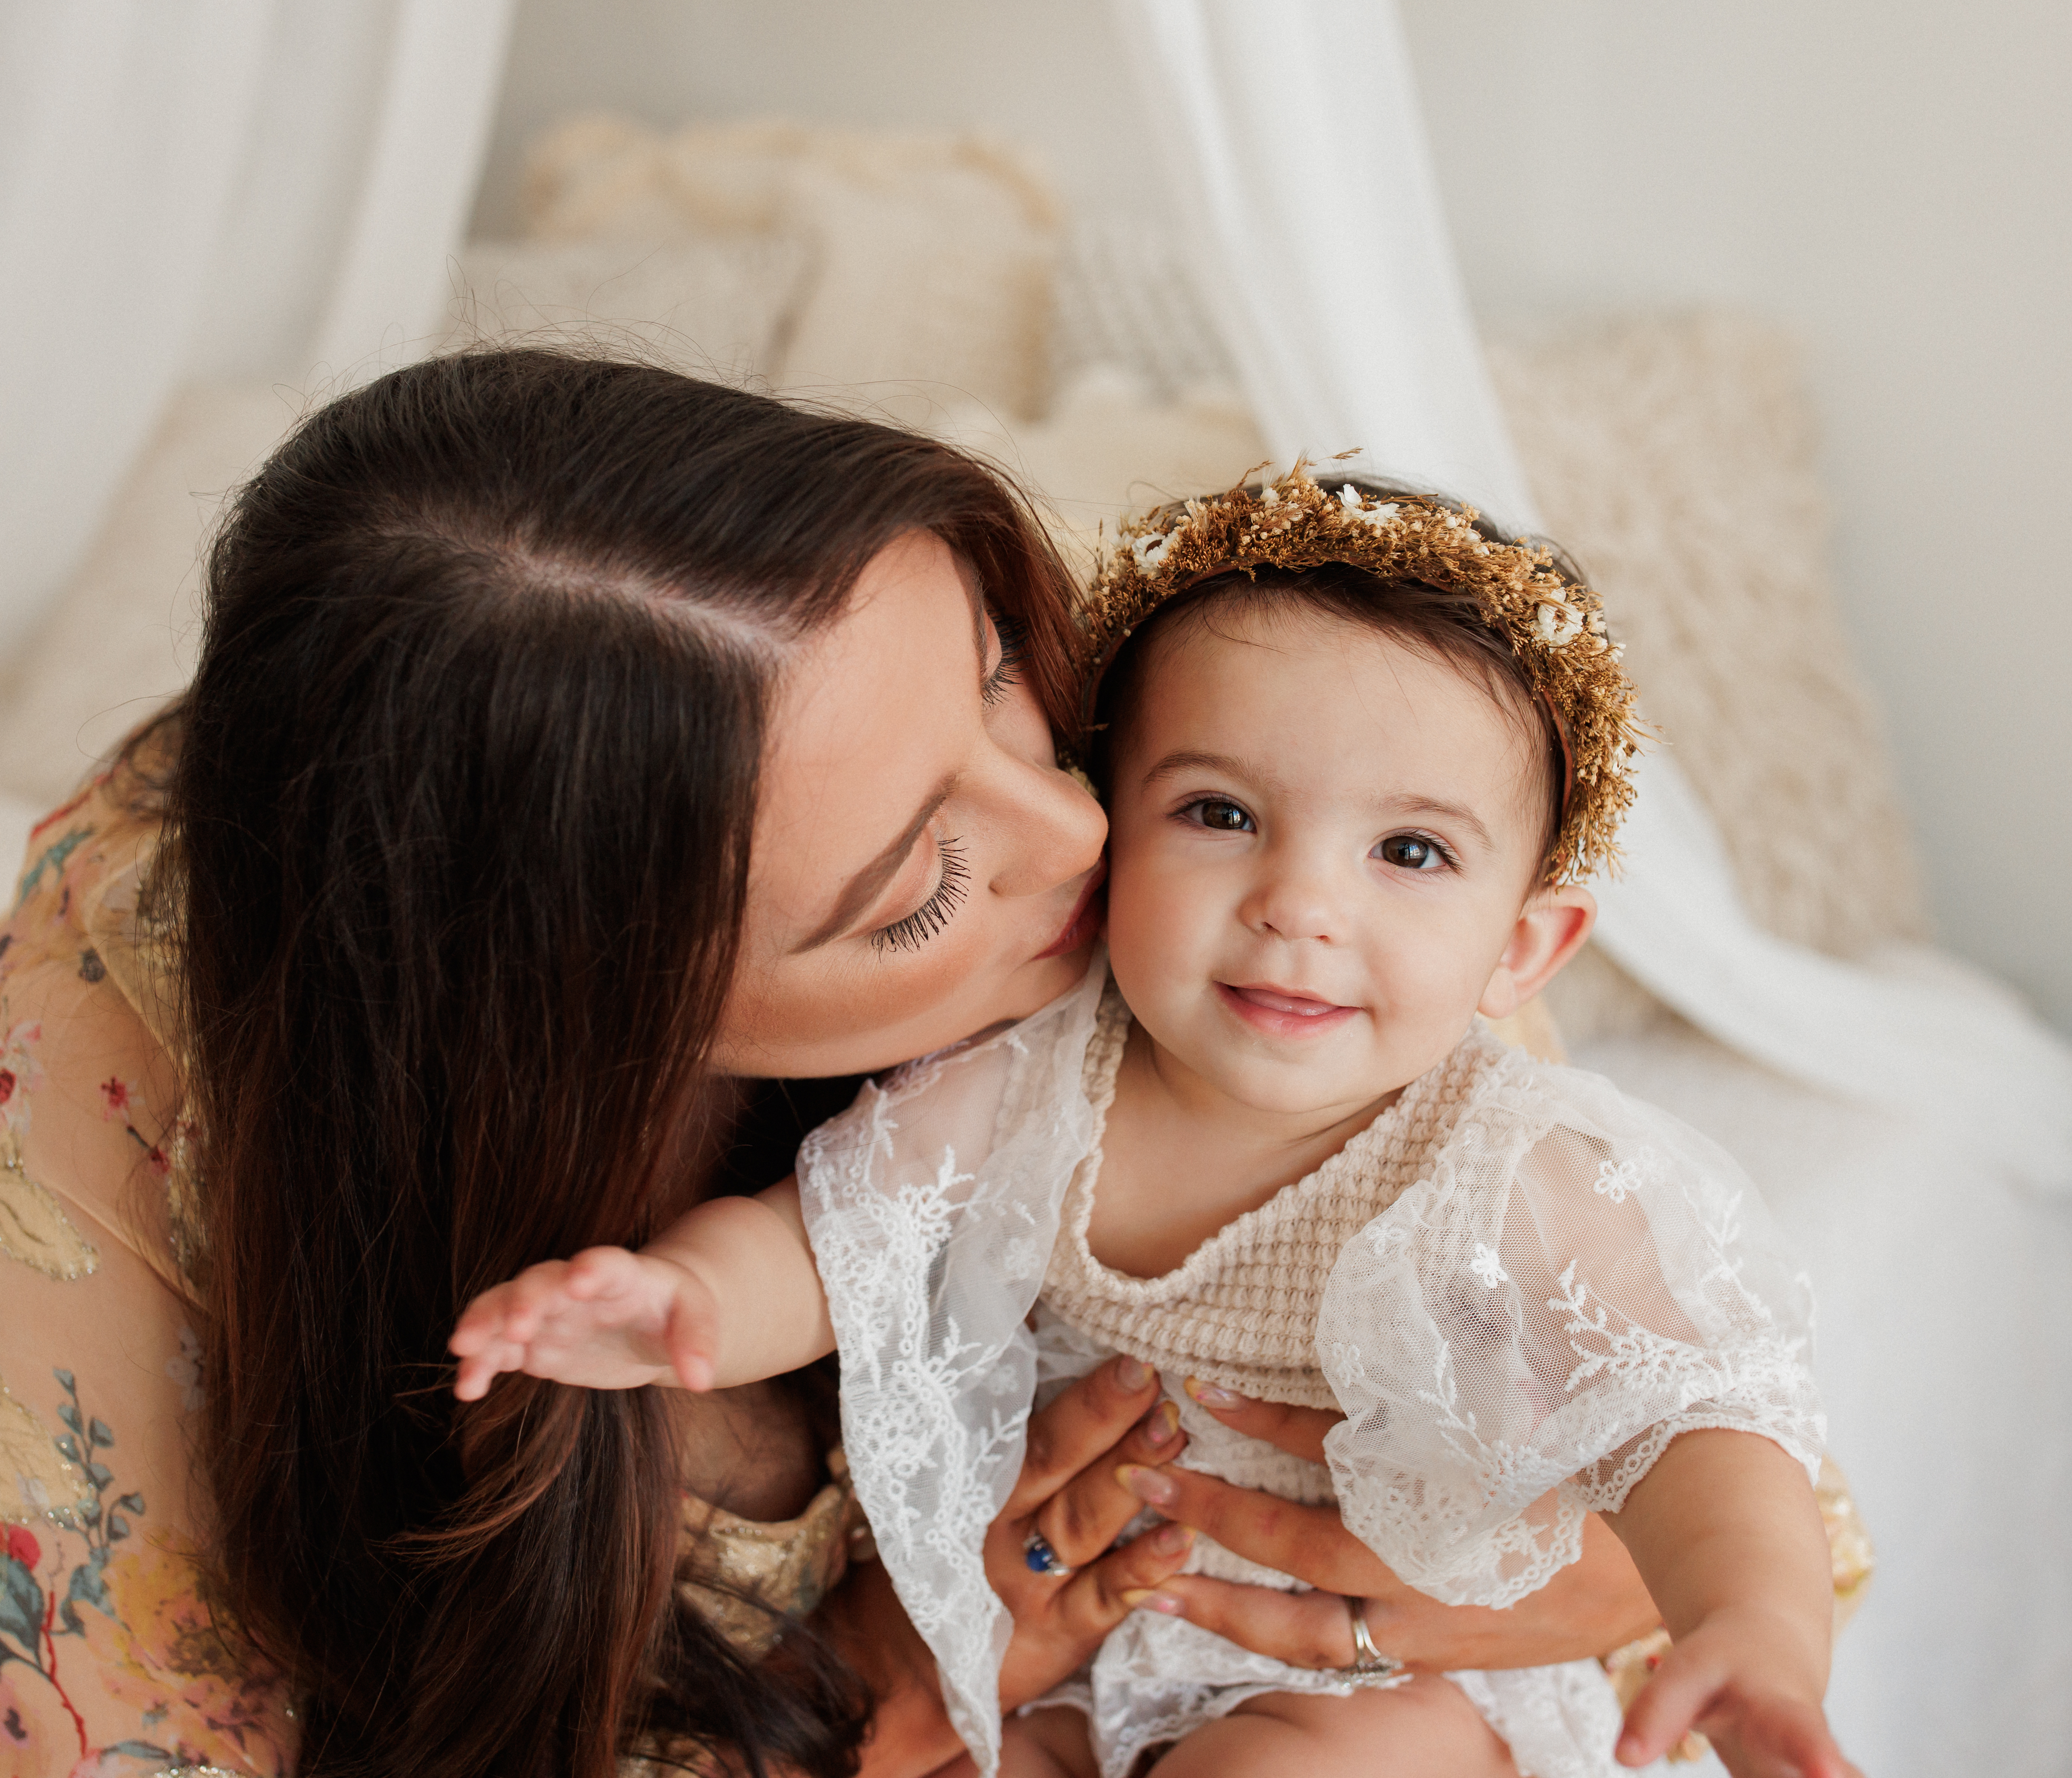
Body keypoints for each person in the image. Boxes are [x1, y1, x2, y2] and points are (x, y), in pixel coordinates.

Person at [0, 351, 1663, 1778]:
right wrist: (873, 1678)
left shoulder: (1232, 785)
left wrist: (1564, 1583)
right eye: (919, 888)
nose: (1085, 823)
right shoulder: (99, 1186)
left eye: (1004, 681)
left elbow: (1718, 1463)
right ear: (584, 1018)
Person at [452, 469, 1860, 1778]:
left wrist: (1756, 1626)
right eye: (1220, 812)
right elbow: (832, 1243)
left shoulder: (1521, 1166)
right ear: (1111, 826)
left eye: (1410, 852)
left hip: (1365, 1688)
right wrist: (681, 1300)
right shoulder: (1040, 1076)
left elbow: (1698, 1428)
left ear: (1524, 952)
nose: (1301, 903)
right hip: (1056, 1662)